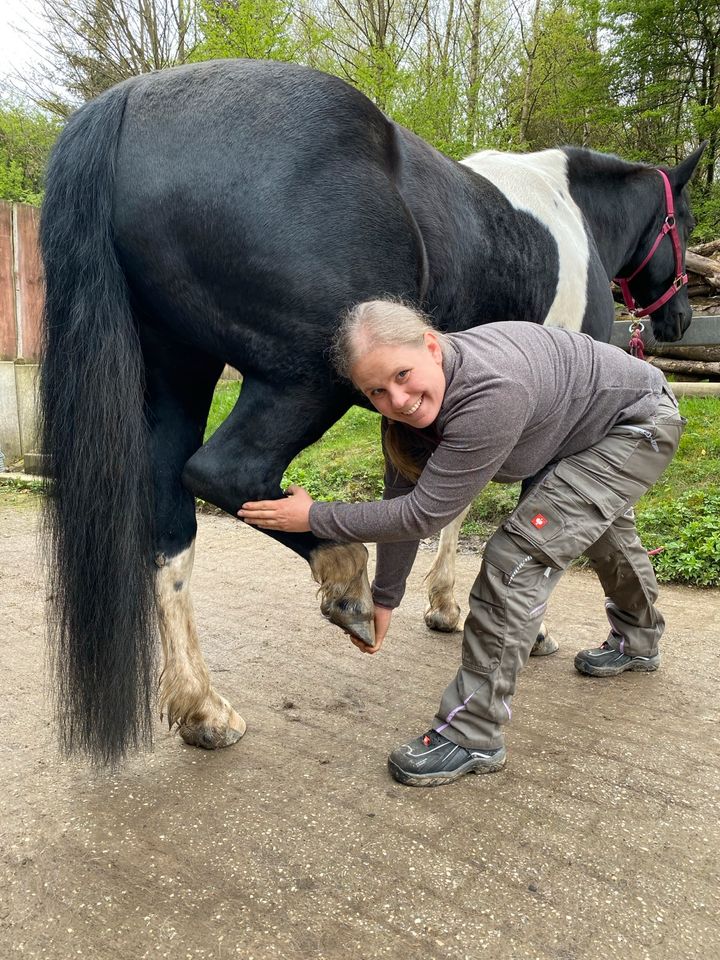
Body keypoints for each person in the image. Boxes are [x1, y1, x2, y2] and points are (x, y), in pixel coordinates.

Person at [238, 300, 685, 787]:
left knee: (518, 557)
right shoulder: (412, 396)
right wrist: (386, 598)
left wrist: (315, 517)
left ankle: (471, 733)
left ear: (432, 346)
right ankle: (639, 641)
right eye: (377, 392)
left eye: (403, 376)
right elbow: (403, 488)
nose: (398, 399)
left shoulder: (491, 393)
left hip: (636, 424)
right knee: (599, 529)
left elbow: (426, 514)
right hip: (580, 428)